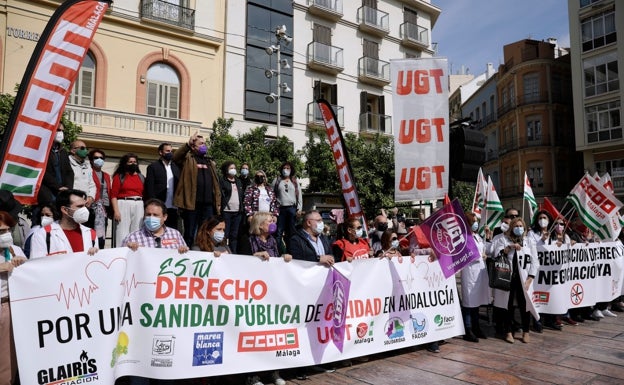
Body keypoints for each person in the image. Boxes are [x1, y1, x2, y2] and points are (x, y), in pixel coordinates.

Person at [491, 217, 539, 344]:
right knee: (508, 306)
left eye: (520, 226)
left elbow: (535, 261)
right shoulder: (504, 239)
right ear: (512, 228)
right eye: (516, 226)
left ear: (524, 228)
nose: (518, 228)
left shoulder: (529, 241)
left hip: (524, 280)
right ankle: (508, 331)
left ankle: (526, 331)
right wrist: (508, 248)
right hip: (508, 278)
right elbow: (496, 254)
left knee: (525, 305)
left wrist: (530, 278)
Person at [173, 132, 221, 247]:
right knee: (190, 233)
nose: (204, 146)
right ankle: (187, 254)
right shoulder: (188, 159)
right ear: (194, 147)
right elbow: (176, 157)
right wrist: (188, 144)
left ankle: (203, 254)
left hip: (208, 205)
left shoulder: (210, 162)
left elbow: (215, 183)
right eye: (201, 144)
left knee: (205, 233)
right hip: (192, 204)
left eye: (204, 143)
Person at [0, 211, 27, 385]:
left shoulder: (15, 250)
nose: (6, 235)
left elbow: (33, 275)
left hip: (7, 307)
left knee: (6, 361)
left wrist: (23, 264)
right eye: (1, 232)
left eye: (8, 230)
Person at [30, 189, 98, 258]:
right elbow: (37, 265)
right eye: (80, 206)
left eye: (85, 206)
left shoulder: (91, 234)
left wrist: (96, 255)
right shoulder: (42, 234)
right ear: (65, 210)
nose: (85, 210)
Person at [460, 212, 490, 342]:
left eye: (476, 221)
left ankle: (476, 327)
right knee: (468, 302)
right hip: (470, 272)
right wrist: (479, 256)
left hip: (479, 272)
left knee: (476, 301)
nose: (476, 224)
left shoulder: (477, 236)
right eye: (473, 221)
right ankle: (467, 329)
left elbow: (484, 249)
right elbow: (464, 255)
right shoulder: (463, 237)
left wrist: (487, 239)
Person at [122, 199, 188, 254]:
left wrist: (184, 251)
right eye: (148, 214)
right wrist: (128, 250)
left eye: (155, 215)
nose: (151, 217)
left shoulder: (175, 234)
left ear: (164, 217)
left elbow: (186, 257)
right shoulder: (132, 237)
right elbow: (122, 260)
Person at [110, 154, 145, 247]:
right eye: (130, 162)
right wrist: (116, 211)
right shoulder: (119, 176)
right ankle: (120, 253)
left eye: (134, 162)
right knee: (122, 231)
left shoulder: (141, 177)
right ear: (125, 163)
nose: (133, 164)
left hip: (139, 203)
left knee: (138, 230)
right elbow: (113, 195)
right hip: (123, 203)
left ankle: (136, 252)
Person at [144, 143, 180, 230]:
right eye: (167, 151)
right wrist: (152, 203)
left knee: (172, 229)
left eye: (171, 151)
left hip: (173, 206)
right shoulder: (153, 167)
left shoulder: (176, 167)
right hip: (159, 205)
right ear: (161, 152)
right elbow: (150, 187)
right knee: (157, 229)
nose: (170, 153)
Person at [38, 123, 73, 206]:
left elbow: (69, 172)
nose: (61, 133)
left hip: (62, 195)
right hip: (47, 194)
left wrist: (68, 187)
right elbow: (42, 170)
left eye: (62, 131)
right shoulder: (42, 150)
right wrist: (57, 186)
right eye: (58, 130)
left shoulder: (63, 151)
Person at [272, 161, 302, 253]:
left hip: (292, 209)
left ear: (291, 170)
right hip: (280, 209)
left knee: (292, 232)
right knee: (278, 232)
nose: (286, 170)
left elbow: (299, 195)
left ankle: (292, 251)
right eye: (284, 168)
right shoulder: (276, 180)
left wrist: (299, 209)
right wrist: (273, 210)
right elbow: (272, 195)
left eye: (288, 168)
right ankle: (277, 252)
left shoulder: (294, 181)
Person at [88, 149, 112, 249]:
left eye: (101, 158)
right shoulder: (88, 172)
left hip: (104, 208)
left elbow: (108, 190)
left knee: (101, 234)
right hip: (91, 206)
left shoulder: (106, 175)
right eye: (96, 158)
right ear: (91, 160)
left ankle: (100, 252)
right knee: (90, 233)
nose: (99, 159)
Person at [219, 161, 243, 253]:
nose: (233, 170)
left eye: (234, 168)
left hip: (237, 212)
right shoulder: (222, 181)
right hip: (226, 211)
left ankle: (233, 252)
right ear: (226, 170)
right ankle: (223, 251)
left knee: (234, 235)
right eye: (231, 168)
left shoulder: (238, 181)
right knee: (225, 233)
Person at [68, 140, 96, 212]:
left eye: (86, 148)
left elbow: (92, 184)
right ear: (73, 150)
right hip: (71, 202)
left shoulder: (88, 166)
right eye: (82, 148)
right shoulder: (67, 162)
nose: (85, 150)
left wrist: (90, 198)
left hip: (85, 203)